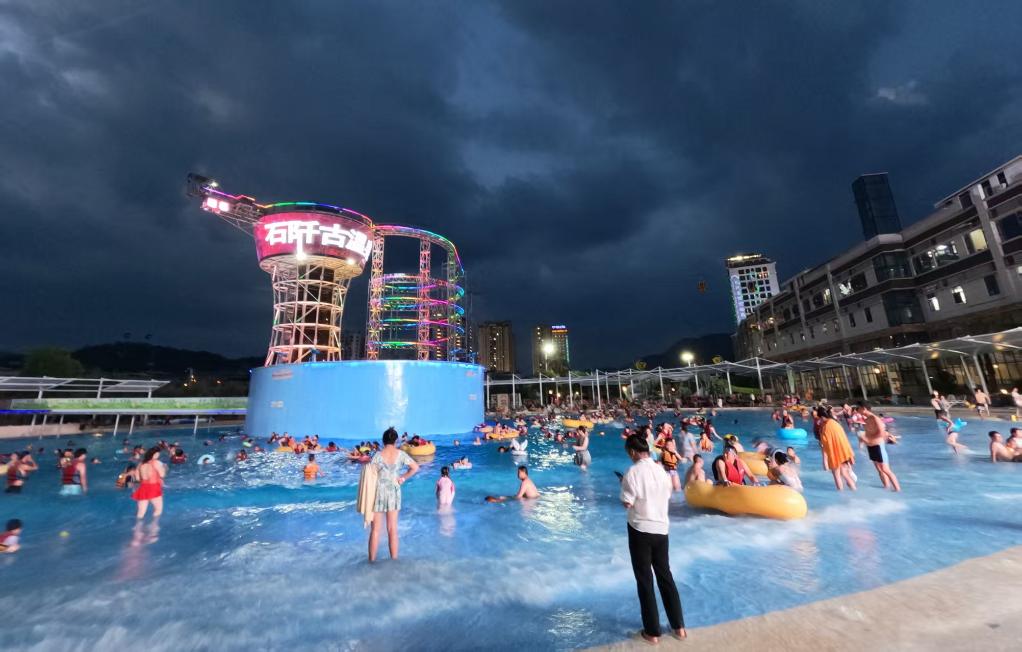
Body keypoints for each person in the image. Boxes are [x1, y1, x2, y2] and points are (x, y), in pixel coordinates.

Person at [619, 434, 686, 644]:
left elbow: (627, 503)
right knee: (665, 576)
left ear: (632, 452)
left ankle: (652, 632)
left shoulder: (632, 472)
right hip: (662, 529)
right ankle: (679, 628)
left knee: (645, 580)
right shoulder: (661, 471)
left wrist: (623, 485)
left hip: (640, 529)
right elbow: (665, 495)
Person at [369, 427, 420, 562]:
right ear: (396, 440)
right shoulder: (401, 454)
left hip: (378, 491)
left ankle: (371, 562)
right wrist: (403, 478)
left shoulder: (377, 455)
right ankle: (394, 562)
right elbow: (415, 467)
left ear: (383, 440)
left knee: (375, 530)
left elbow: (370, 475)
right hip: (394, 491)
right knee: (392, 529)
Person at [857, 402, 900, 491]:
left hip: (878, 446)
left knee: (885, 469)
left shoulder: (875, 418)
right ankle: (886, 487)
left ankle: (897, 489)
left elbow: (881, 432)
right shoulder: (867, 419)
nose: (857, 410)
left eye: (859, 408)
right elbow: (868, 433)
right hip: (871, 447)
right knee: (879, 469)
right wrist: (862, 441)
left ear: (864, 408)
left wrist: (868, 439)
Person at [817, 406, 857, 491]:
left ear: (822, 417)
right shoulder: (835, 423)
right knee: (845, 474)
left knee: (836, 475)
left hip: (834, 454)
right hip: (844, 452)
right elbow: (844, 438)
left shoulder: (825, 427)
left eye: (819, 418)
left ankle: (840, 493)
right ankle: (854, 490)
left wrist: (825, 460)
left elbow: (825, 445)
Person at [132, 447, 166, 520]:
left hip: (143, 488)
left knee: (140, 513)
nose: (158, 456)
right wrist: (164, 468)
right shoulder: (156, 463)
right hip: (154, 488)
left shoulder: (141, 463)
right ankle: (153, 526)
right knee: (158, 510)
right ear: (154, 454)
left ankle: (137, 527)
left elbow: (137, 478)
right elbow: (162, 474)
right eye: (157, 454)